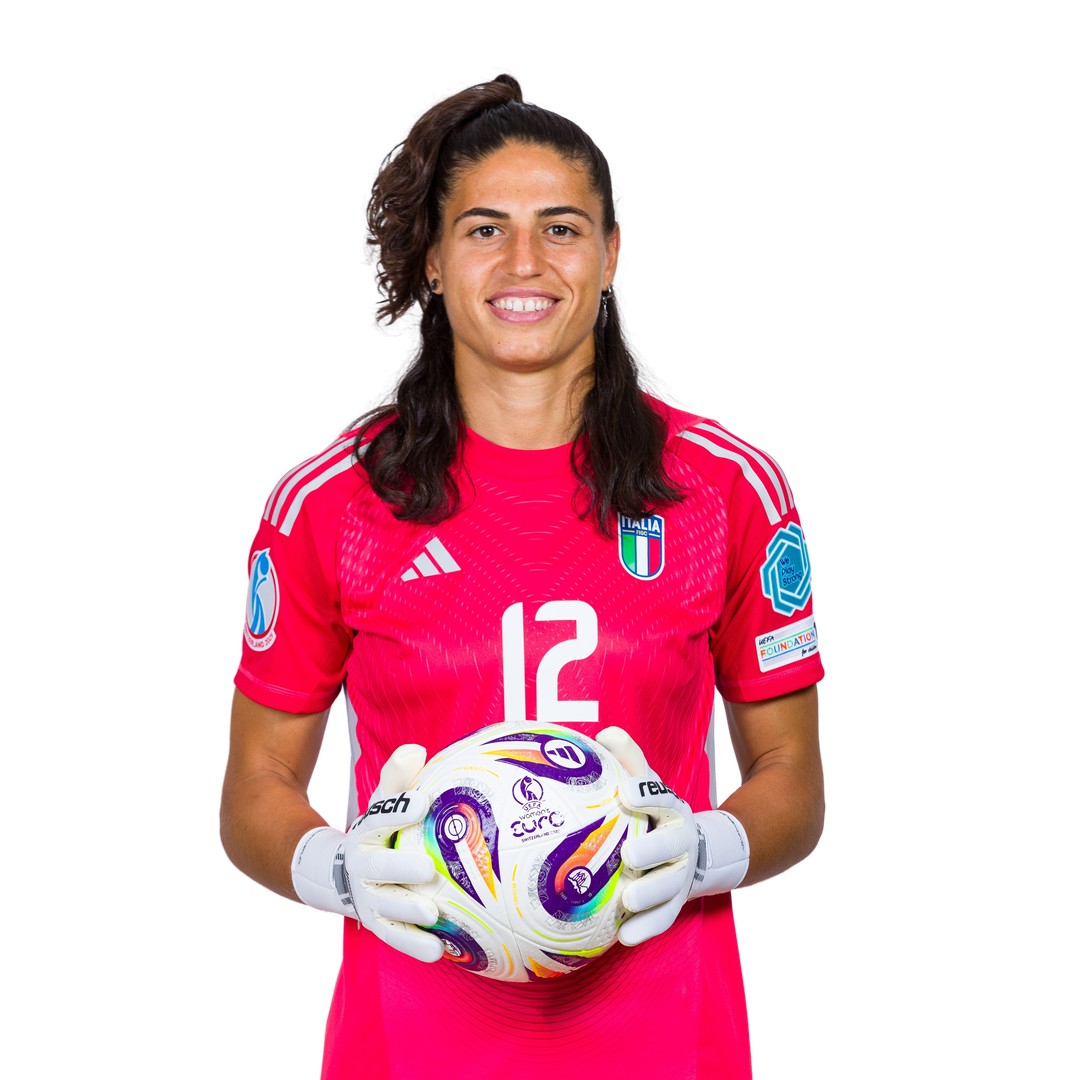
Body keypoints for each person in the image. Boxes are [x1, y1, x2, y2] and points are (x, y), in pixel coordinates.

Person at [221, 73, 824, 1079]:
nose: (525, 263)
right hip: (408, 1047)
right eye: (485, 230)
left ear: (612, 253)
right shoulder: (333, 505)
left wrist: (705, 850)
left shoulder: (724, 489)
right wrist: (338, 870)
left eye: (562, 228)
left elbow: (794, 777)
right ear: (433, 260)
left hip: (667, 1044)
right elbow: (254, 786)